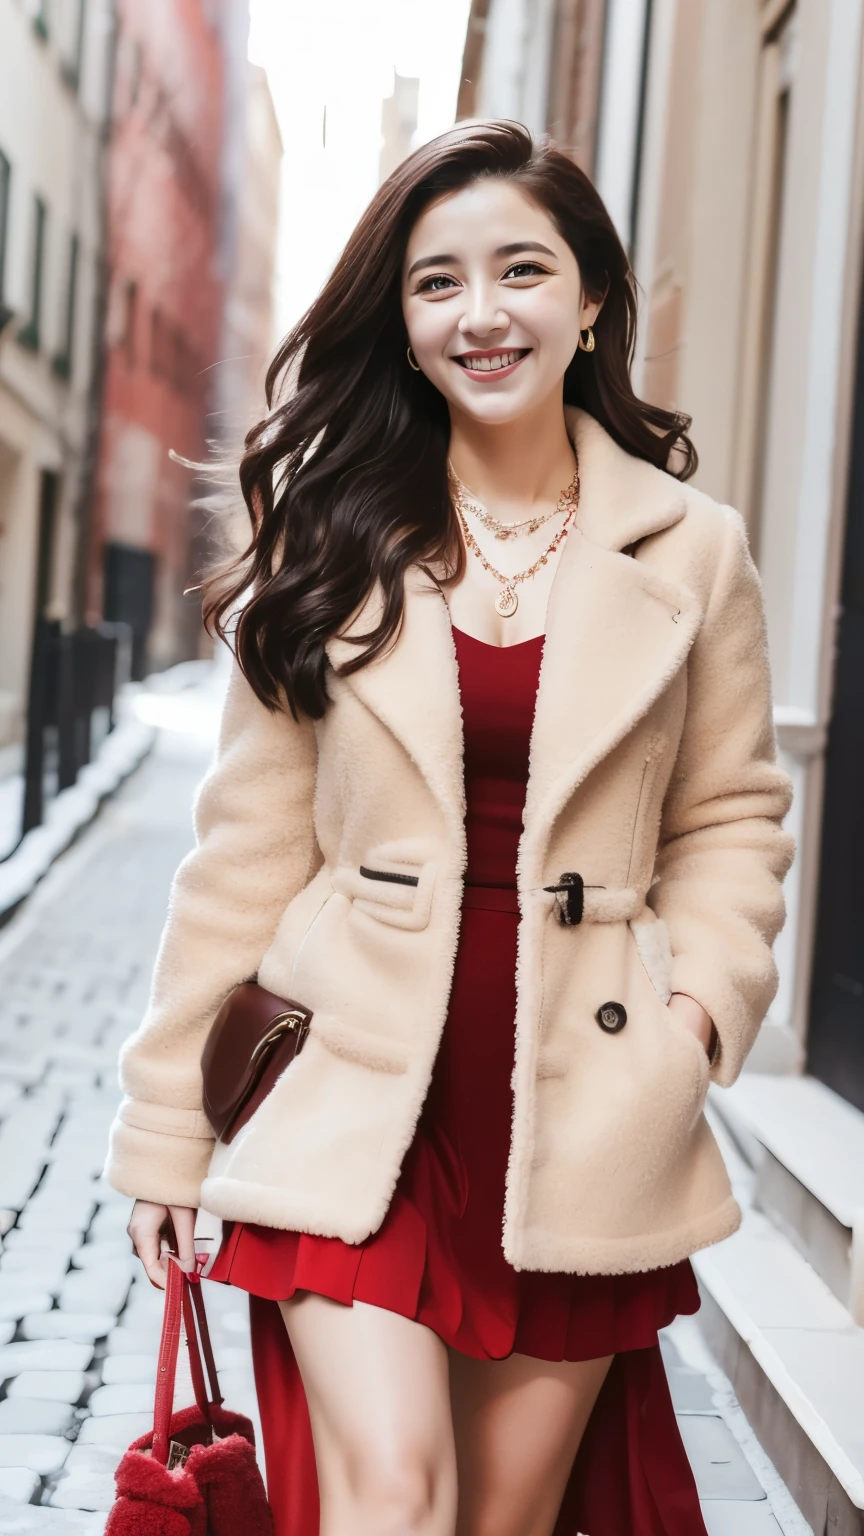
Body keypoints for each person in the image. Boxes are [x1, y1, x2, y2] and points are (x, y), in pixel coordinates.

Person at [106, 120, 794, 1536]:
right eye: (437, 283)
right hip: (348, 1079)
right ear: (403, 319)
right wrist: (168, 1133)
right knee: (395, 1496)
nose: (481, 315)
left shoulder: (693, 548)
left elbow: (731, 815)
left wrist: (698, 1017)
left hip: (586, 1100)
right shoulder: (334, 531)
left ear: (591, 298)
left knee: (493, 1521)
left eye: (521, 271)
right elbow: (243, 852)